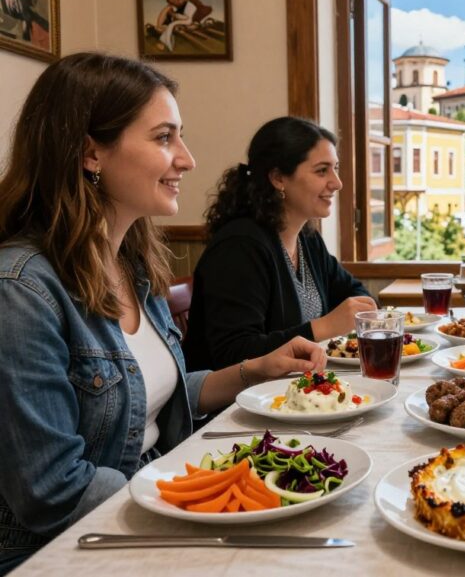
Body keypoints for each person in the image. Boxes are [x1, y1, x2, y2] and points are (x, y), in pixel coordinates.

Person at [0, 53, 327, 573]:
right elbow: (51, 489)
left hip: (150, 500)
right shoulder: (21, 290)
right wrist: (198, 498)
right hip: (72, 547)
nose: (187, 159)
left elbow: (150, 396)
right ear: (90, 153)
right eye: (163, 137)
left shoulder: (132, 263)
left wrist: (255, 370)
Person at [183, 117, 376, 371]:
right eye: (322, 170)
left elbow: (356, 294)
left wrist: (356, 313)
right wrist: (323, 327)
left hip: (293, 394)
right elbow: (232, 354)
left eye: (336, 168)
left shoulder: (307, 238)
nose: (337, 183)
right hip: (232, 406)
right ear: (278, 178)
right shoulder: (239, 247)